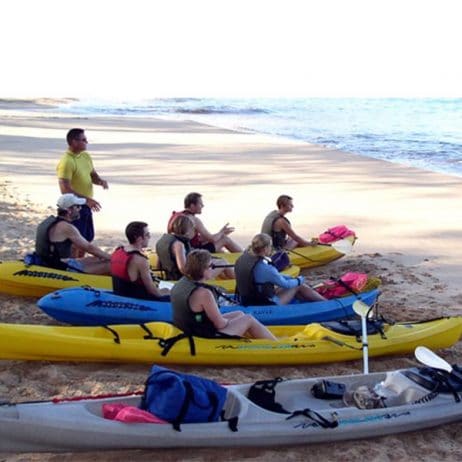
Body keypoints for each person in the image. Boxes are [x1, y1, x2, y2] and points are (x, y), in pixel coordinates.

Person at [171, 249, 276, 340]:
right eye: (211, 266)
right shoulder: (203, 293)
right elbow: (220, 324)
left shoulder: (182, 282)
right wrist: (231, 322)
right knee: (248, 319)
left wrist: (235, 320)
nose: (213, 268)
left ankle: (254, 338)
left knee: (239, 314)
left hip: (193, 328)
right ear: (203, 270)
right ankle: (277, 344)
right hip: (205, 337)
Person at [57, 128, 109, 257]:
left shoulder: (86, 156)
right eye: (83, 140)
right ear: (74, 142)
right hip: (74, 206)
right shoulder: (66, 161)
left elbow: (92, 175)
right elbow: (65, 189)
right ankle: (72, 266)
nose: (86, 142)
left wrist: (100, 181)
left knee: (87, 237)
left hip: (86, 205)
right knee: (76, 241)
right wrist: (87, 200)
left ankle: (80, 264)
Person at [235, 233, 326, 306]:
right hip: (265, 304)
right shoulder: (265, 268)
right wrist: (299, 280)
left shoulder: (243, 258)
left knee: (290, 284)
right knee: (298, 285)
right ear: (266, 248)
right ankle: (326, 303)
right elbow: (286, 285)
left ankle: (308, 303)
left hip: (246, 299)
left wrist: (288, 277)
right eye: (270, 246)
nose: (271, 248)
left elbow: (267, 277)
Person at [34, 193, 111, 274]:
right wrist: (112, 258)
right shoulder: (66, 227)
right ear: (69, 210)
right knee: (110, 265)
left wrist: (103, 256)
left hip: (50, 261)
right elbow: (89, 247)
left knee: (98, 259)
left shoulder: (51, 222)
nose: (80, 209)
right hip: (59, 267)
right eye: (77, 206)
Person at [157, 214, 235, 280]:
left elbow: (159, 263)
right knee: (223, 262)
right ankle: (238, 280)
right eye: (193, 230)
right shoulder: (178, 245)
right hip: (182, 279)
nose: (195, 232)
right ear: (187, 232)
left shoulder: (163, 239)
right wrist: (200, 272)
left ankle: (227, 277)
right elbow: (183, 269)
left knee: (214, 260)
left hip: (170, 275)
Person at [111, 221, 170, 300]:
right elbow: (154, 292)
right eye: (147, 235)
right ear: (138, 238)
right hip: (136, 299)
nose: (149, 237)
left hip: (120, 295)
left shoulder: (118, 251)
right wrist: (167, 292)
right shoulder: (140, 260)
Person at [167, 192, 242, 253]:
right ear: (192, 206)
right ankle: (244, 259)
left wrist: (218, 235)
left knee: (219, 248)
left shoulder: (176, 216)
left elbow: (195, 238)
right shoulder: (194, 220)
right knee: (224, 239)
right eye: (200, 204)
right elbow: (212, 239)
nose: (203, 206)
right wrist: (222, 232)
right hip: (192, 251)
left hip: (179, 247)